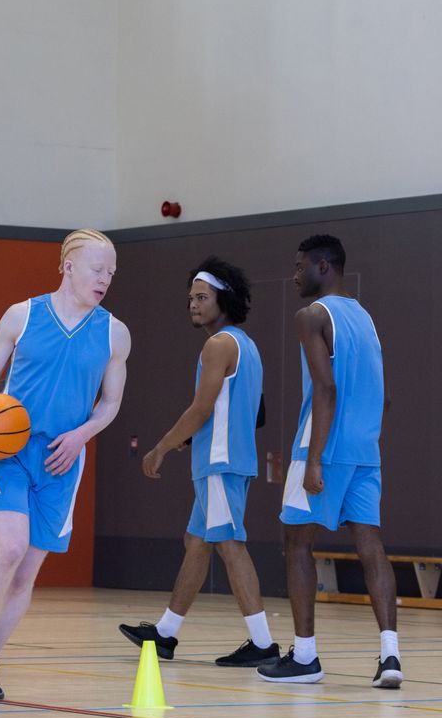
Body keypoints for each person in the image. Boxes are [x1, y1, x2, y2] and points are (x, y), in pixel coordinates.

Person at [0, 228, 130, 701]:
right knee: (8, 547)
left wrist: (82, 433)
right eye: (97, 269)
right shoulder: (22, 315)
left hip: (63, 459)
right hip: (9, 449)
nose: (105, 278)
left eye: (111, 272)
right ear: (68, 266)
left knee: (26, 573)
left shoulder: (114, 333)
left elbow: (109, 405)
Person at [257, 234, 402, 688]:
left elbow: (325, 389)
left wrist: (316, 458)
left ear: (323, 266)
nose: (295, 274)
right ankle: (390, 655)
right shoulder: (365, 318)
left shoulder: (311, 316)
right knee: (371, 545)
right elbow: (387, 398)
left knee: (296, 542)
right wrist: (365, 441)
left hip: (322, 447)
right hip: (365, 450)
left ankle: (305, 657)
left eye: (300, 266)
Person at [119, 256, 277, 667]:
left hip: (220, 463)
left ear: (223, 299)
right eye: (190, 297)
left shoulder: (218, 344)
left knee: (229, 544)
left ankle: (263, 644)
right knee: (196, 543)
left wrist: (161, 447)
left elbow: (200, 408)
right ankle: (166, 633)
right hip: (227, 458)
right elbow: (254, 412)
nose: (193, 304)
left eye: (202, 297)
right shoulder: (247, 345)